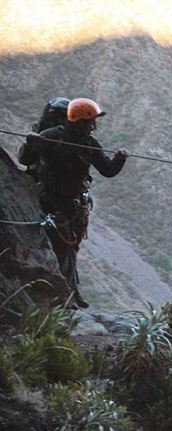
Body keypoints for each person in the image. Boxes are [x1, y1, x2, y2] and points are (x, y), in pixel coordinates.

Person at [18, 97, 129, 308]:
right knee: (62, 248)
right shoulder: (52, 137)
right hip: (52, 202)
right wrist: (30, 145)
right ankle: (66, 297)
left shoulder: (89, 143)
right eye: (91, 122)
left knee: (71, 249)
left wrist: (119, 159)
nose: (94, 126)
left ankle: (72, 292)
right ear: (80, 122)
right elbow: (25, 159)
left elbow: (107, 170)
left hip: (74, 205)